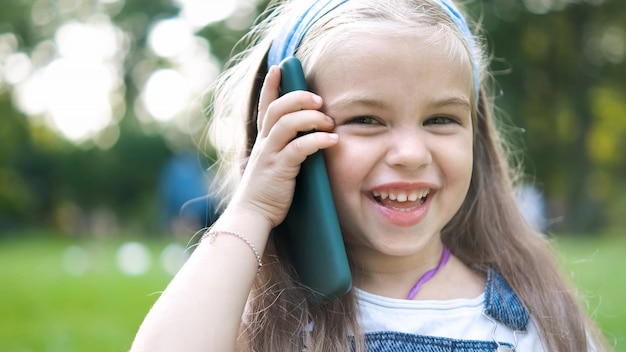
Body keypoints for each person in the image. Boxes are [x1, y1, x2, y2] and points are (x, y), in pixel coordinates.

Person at [130, 0, 610, 351]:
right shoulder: (264, 321)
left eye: (441, 119)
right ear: (290, 136)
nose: (408, 153)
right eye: (366, 119)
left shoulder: (533, 319)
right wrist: (253, 208)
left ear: (475, 137)